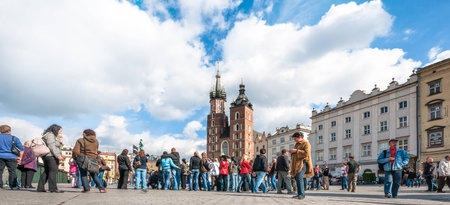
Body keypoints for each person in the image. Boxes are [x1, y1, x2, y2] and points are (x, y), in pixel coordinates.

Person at [72, 129, 107, 193]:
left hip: (82, 158)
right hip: (93, 159)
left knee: (83, 174)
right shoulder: (96, 141)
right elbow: (96, 150)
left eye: (83, 133)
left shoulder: (80, 140)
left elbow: (75, 151)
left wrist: (75, 158)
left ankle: (86, 189)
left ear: (85, 134)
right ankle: (102, 188)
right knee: (94, 174)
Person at [37, 124, 64, 193]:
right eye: (59, 131)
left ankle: (40, 188)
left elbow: (56, 145)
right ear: (56, 129)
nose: (60, 132)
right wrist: (58, 155)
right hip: (51, 156)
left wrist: (60, 141)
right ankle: (53, 188)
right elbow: (51, 146)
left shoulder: (49, 135)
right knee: (53, 171)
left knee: (47, 171)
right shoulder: (50, 135)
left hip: (47, 155)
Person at [289, 132, 313, 200]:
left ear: (299, 137)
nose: (294, 139)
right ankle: (299, 193)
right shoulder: (296, 144)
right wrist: (293, 152)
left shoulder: (306, 143)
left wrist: (296, 151)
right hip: (296, 164)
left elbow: (306, 153)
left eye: (295, 138)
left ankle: (302, 194)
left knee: (299, 177)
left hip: (303, 163)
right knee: (297, 178)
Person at [0, 125, 24, 190]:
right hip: (11, 156)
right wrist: (20, 158)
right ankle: (13, 186)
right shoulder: (14, 138)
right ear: (9, 131)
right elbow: (21, 149)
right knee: (12, 171)